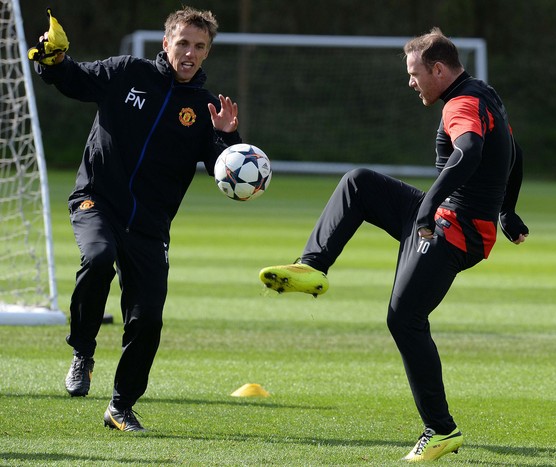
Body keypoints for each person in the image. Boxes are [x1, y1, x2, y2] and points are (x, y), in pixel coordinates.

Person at [259, 27, 528, 462]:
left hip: (455, 229)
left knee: (404, 319)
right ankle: (312, 265)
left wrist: (430, 209)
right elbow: (514, 151)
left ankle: (441, 430)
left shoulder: (461, 104)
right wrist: (507, 209)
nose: (411, 81)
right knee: (359, 183)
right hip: (443, 215)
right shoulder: (483, 94)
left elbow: (471, 151)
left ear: (439, 69)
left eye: (414, 73)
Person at [29, 7, 241, 431]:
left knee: (148, 319)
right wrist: (53, 61)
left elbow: (227, 173)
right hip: (97, 200)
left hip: (149, 224)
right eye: (183, 43)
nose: (190, 53)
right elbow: (76, 79)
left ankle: (120, 406)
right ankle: (83, 352)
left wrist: (228, 137)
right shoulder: (127, 72)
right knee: (98, 256)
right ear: (166, 43)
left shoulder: (205, 108)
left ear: (207, 53)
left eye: (200, 47)